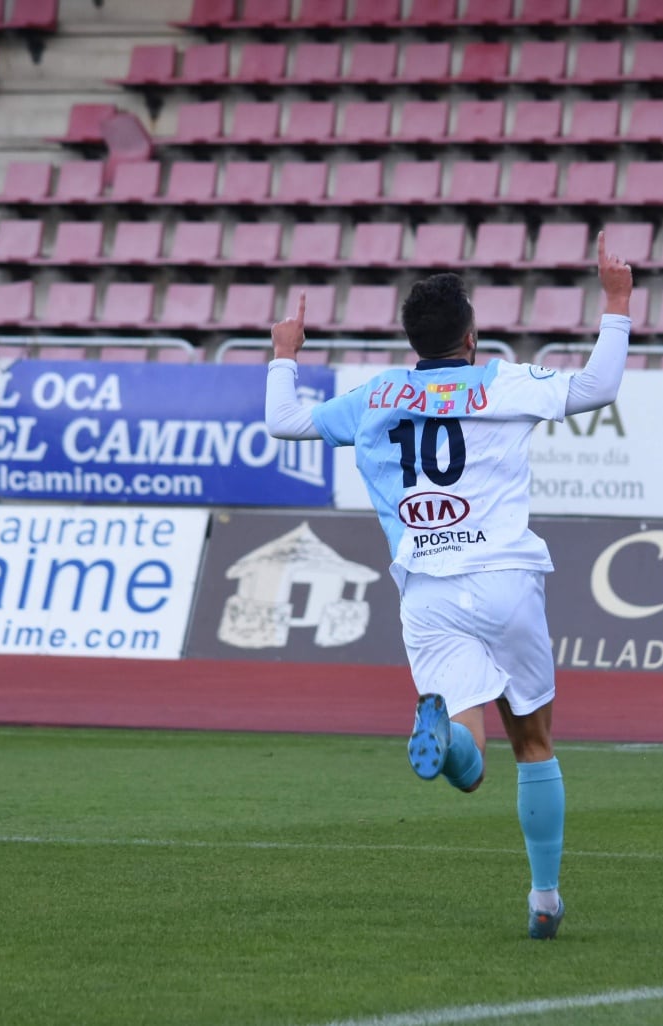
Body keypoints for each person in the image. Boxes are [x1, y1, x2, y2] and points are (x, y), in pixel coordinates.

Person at [265, 232, 633, 940]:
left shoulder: (377, 396)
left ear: (413, 341)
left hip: (426, 589)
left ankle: (453, 743)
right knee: (534, 741)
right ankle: (545, 899)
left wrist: (286, 353)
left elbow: (282, 422)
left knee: (471, 765)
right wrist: (615, 303)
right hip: (502, 576)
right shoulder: (500, 380)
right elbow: (598, 386)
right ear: (470, 336)